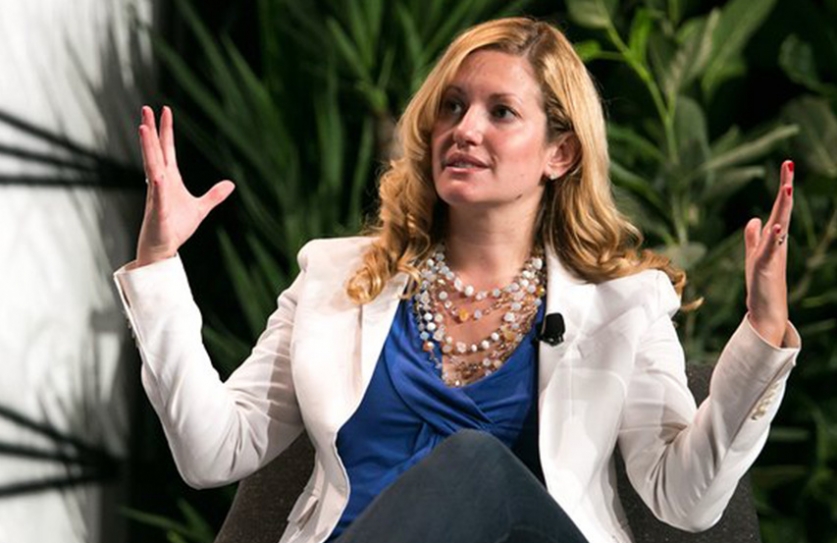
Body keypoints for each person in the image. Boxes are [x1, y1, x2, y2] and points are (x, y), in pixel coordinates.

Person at [114, 17, 800, 543]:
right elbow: (213, 451)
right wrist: (159, 264)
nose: (465, 129)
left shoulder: (622, 305)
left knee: (474, 462)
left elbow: (684, 498)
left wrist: (763, 332)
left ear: (560, 153)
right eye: (451, 106)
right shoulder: (334, 277)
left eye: (501, 112)